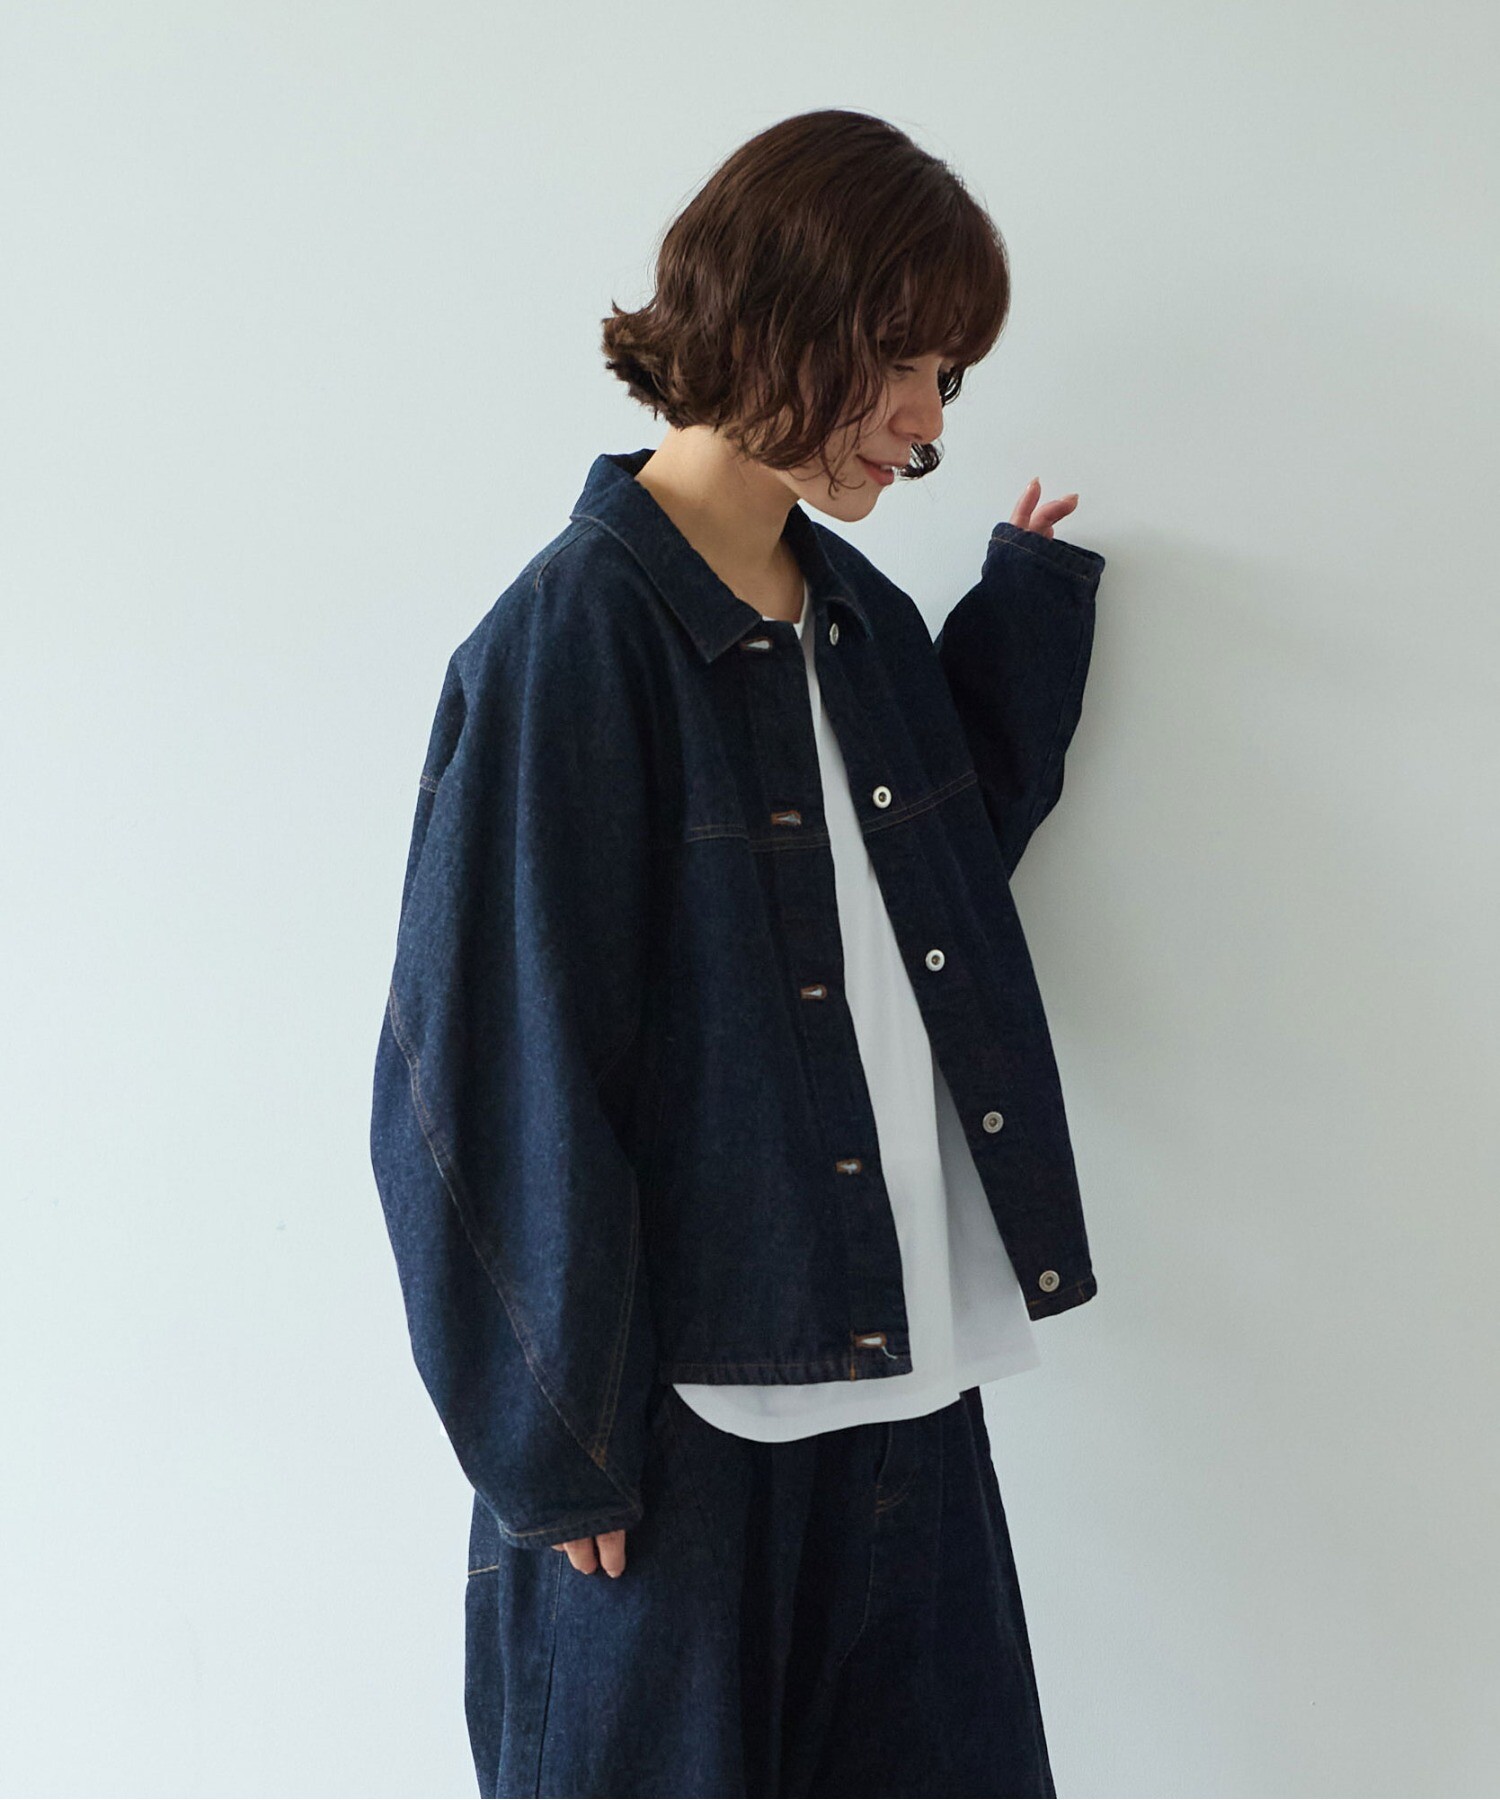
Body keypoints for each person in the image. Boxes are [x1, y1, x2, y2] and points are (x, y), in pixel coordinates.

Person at [369, 106, 1106, 1798]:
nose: (927, 419)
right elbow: (484, 1066)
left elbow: (922, 904)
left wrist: (1024, 621)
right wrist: (553, 1449)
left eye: (947, 377)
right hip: (686, 1450)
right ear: (784, 315)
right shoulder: (572, 638)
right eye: (903, 361)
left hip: (908, 1402)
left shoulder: (862, 621)